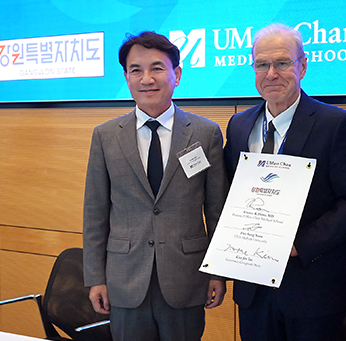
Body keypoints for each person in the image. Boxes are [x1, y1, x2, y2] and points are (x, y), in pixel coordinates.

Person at [223, 23, 346, 341]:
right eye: (262, 64)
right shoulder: (238, 125)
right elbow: (229, 193)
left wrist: (297, 245)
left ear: (303, 65)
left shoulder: (335, 124)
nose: (271, 73)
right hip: (253, 290)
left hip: (313, 290)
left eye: (282, 63)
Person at [82, 31, 228, 341]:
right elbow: (95, 213)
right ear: (126, 77)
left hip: (186, 278)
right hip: (124, 279)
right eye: (136, 70)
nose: (146, 78)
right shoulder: (106, 136)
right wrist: (95, 277)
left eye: (157, 68)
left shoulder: (206, 133)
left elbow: (217, 210)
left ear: (176, 74)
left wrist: (218, 271)